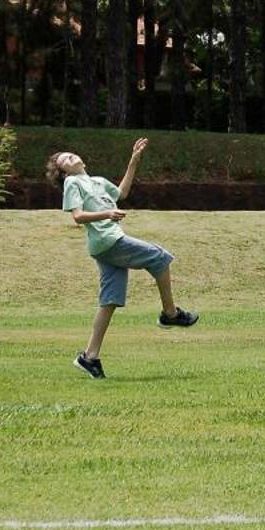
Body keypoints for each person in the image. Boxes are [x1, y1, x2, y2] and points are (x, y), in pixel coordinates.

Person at [46, 138, 199, 379]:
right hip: (109, 241)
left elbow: (121, 193)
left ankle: (89, 357)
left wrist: (133, 160)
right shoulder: (73, 183)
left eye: (70, 153)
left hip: (105, 246)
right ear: (63, 172)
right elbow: (77, 216)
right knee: (159, 257)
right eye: (64, 159)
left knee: (110, 301)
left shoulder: (97, 181)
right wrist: (107, 213)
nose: (70, 156)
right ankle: (170, 314)